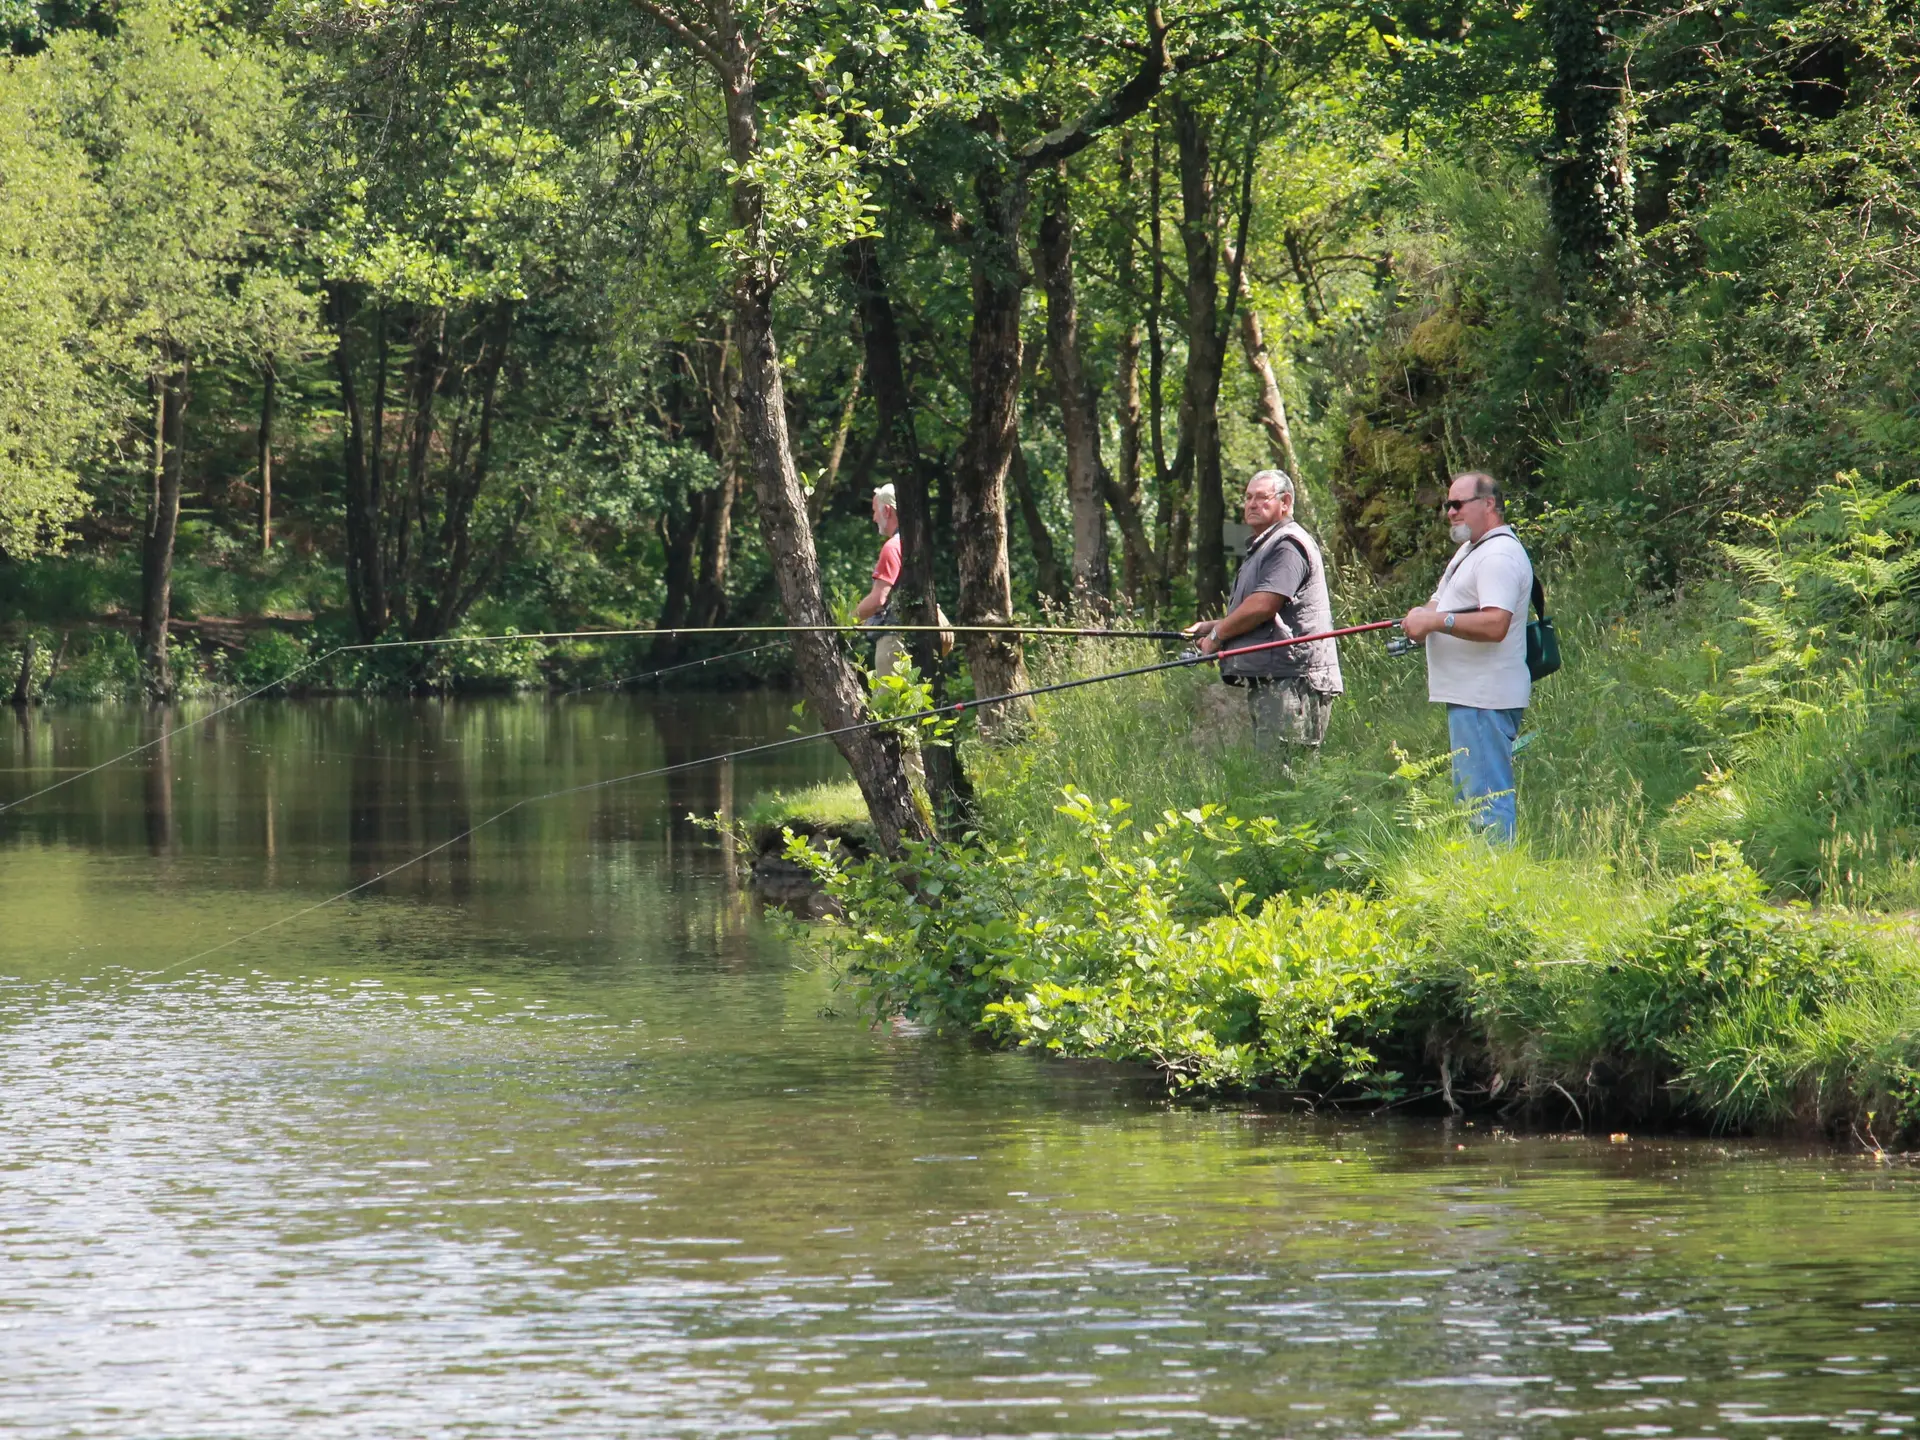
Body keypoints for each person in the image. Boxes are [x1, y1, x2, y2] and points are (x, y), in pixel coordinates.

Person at [1401, 470, 1534, 842]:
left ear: (1488, 504)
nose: (1450, 512)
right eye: (1448, 505)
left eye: (1459, 504)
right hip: (1467, 697)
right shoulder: (1471, 550)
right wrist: (1421, 619)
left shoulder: (1499, 555)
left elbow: (1495, 624)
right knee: (1471, 801)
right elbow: (1438, 603)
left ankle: (1496, 888)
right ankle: (1483, 880)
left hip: (1485, 697)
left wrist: (1435, 621)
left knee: (1486, 802)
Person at [1185, 469, 1343, 752]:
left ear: (1285, 503)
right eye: (1248, 498)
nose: (1252, 504)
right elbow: (1274, 614)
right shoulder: (1267, 545)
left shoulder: (1288, 545)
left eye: (1262, 498)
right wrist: (1211, 626)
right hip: (1278, 679)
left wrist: (1217, 636)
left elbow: (1264, 605)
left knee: (1287, 780)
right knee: (1273, 782)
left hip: (1294, 682)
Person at [857, 484, 906, 677]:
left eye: (875, 511)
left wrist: (844, 622)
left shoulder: (892, 547)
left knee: (889, 706)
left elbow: (878, 599)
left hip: (895, 641)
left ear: (887, 510)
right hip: (922, 638)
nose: (874, 517)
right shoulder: (916, 542)